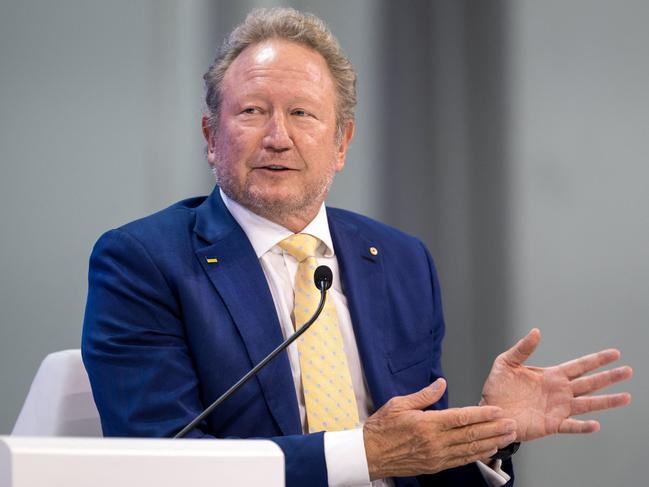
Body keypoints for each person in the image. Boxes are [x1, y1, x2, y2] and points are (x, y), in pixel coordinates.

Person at [81, 7, 632, 487]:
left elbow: (416, 463)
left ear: (342, 142)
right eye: (252, 111)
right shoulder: (143, 262)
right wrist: (361, 455)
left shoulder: (401, 260)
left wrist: (485, 434)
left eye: (302, 113)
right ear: (210, 137)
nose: (278, 136)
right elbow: (158, 463)